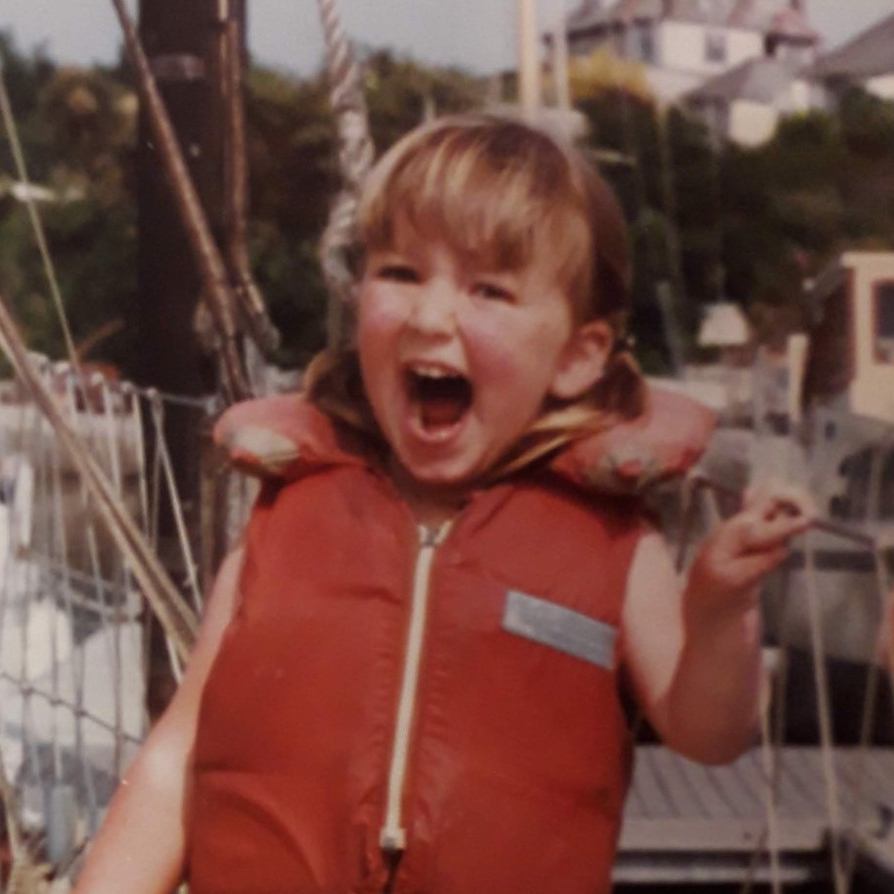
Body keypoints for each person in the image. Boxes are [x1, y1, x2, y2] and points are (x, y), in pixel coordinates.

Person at [73, 114, 812, 894]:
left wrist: (722, 608)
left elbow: (709, 734)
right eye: (400, 273)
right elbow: (177, 757)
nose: (430, 317)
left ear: (576, 356)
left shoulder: (613, 544)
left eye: (489, 290)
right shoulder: (282, 522)